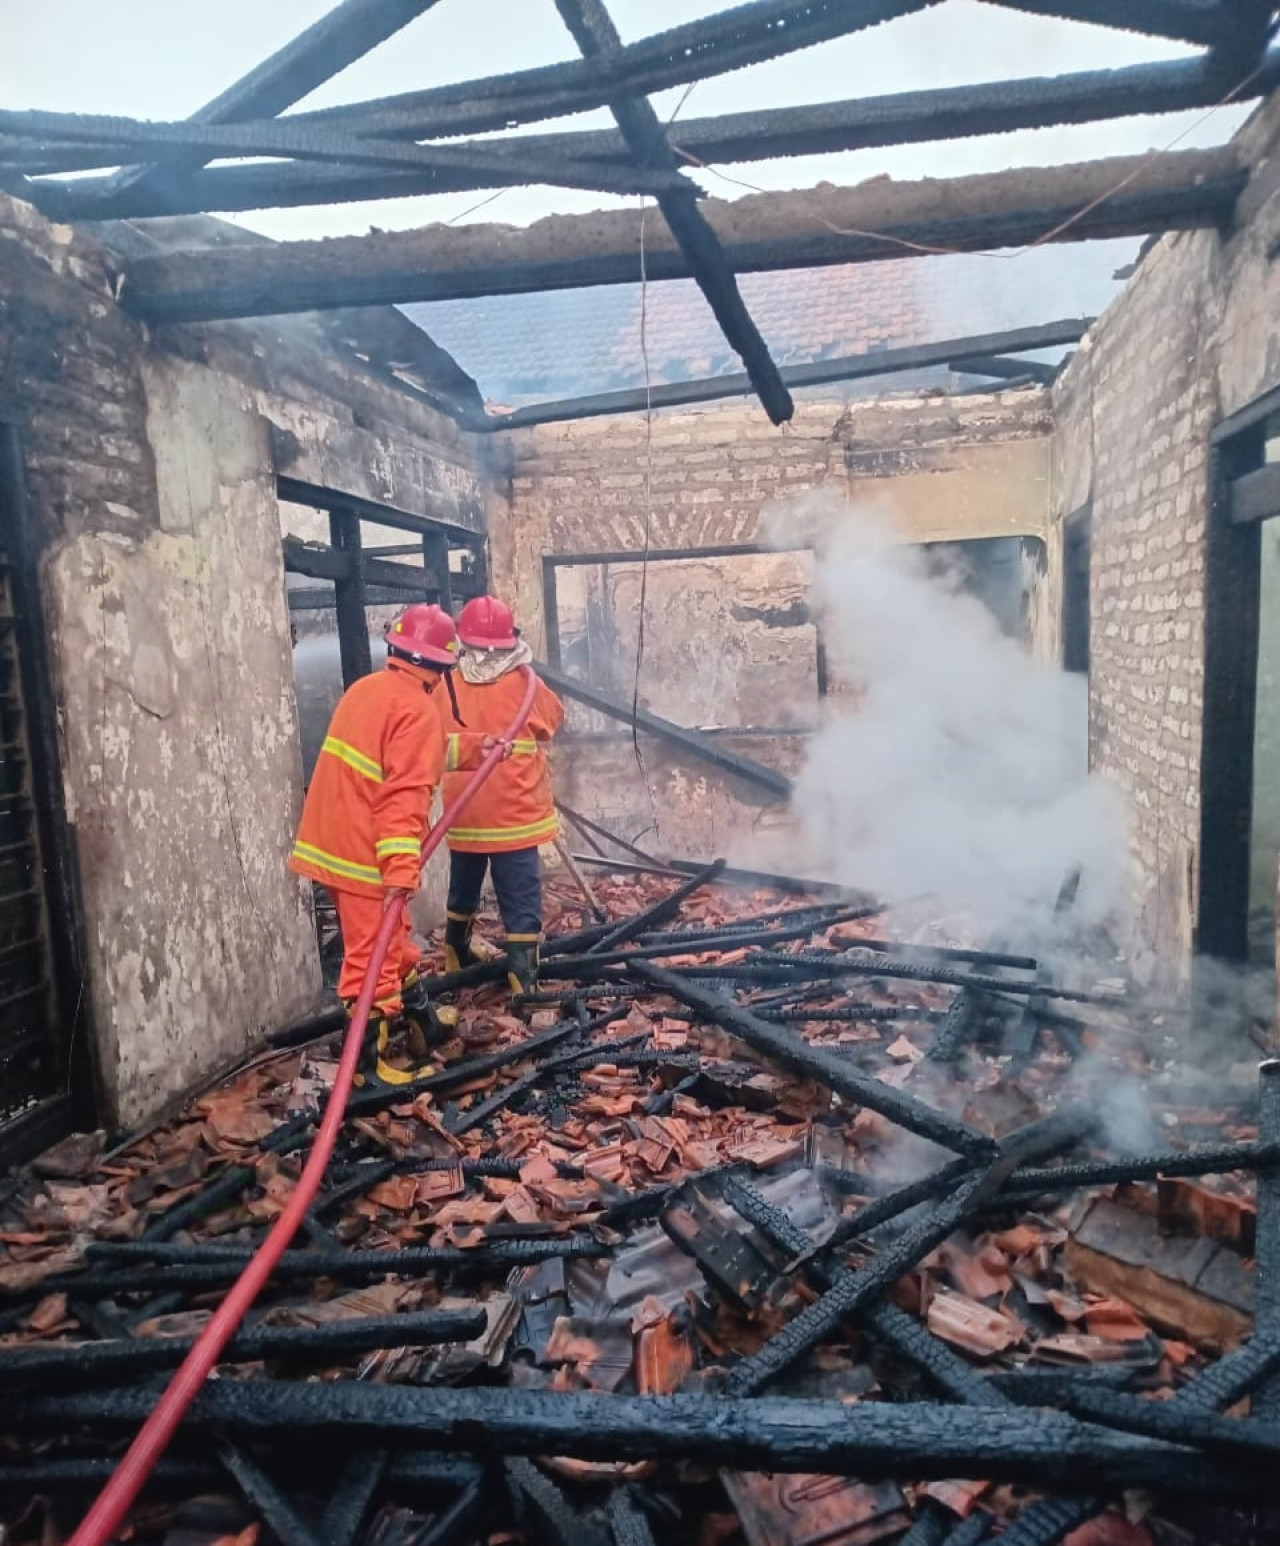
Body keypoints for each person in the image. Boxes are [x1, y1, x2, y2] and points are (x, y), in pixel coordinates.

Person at [289, 603, 488, 1088]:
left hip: (333, 841)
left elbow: (415, 754)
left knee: (391, 940)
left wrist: (480, 746)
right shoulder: (416, 710)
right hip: (365, 854)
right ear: (441, 665)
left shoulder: (371, 690)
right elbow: (403, 796)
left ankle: (422, 1022)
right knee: (369, 956)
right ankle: (365, 1070)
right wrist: (401, 871)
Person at [441, 595, 565, 998]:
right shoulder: (526, 684)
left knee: (464, 886)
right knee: (520, 896)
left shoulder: (446, 683)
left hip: (464, 815)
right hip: (516, 815)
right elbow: (551, 722)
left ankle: (456, 950)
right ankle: (522, 978)